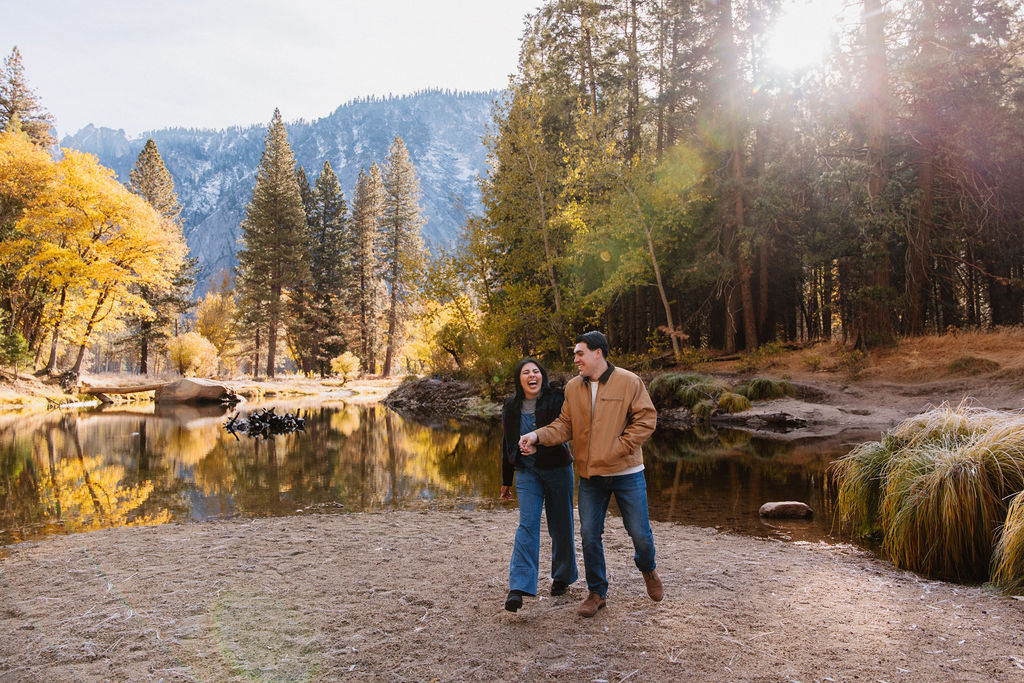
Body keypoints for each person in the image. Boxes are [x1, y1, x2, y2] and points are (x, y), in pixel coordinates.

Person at [519, 331, 661, 617]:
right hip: (590, 476)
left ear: (598, 353)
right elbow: (564, 425)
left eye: (579, 353)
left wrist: (620, 446)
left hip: (627, 471)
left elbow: (646, 418)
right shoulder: (573, 387)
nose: (575, 359)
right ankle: (597, 591)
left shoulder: (629, 381)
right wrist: (536, 436)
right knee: (589, 534)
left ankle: (648, 568)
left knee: (640, 534)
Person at [500, 358, 578, 612]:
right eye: (526, 372)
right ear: (519, 379)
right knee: (527, 524)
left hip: (557, 469)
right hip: (527, 472)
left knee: (561, 524)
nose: (532, 376)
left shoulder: (556, 399)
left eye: (536, 372)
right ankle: (519, 587)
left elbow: (564, 428)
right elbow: (506, 444)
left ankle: (562, 577)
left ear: (542, 376)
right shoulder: (510, 406)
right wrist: (505, 480)